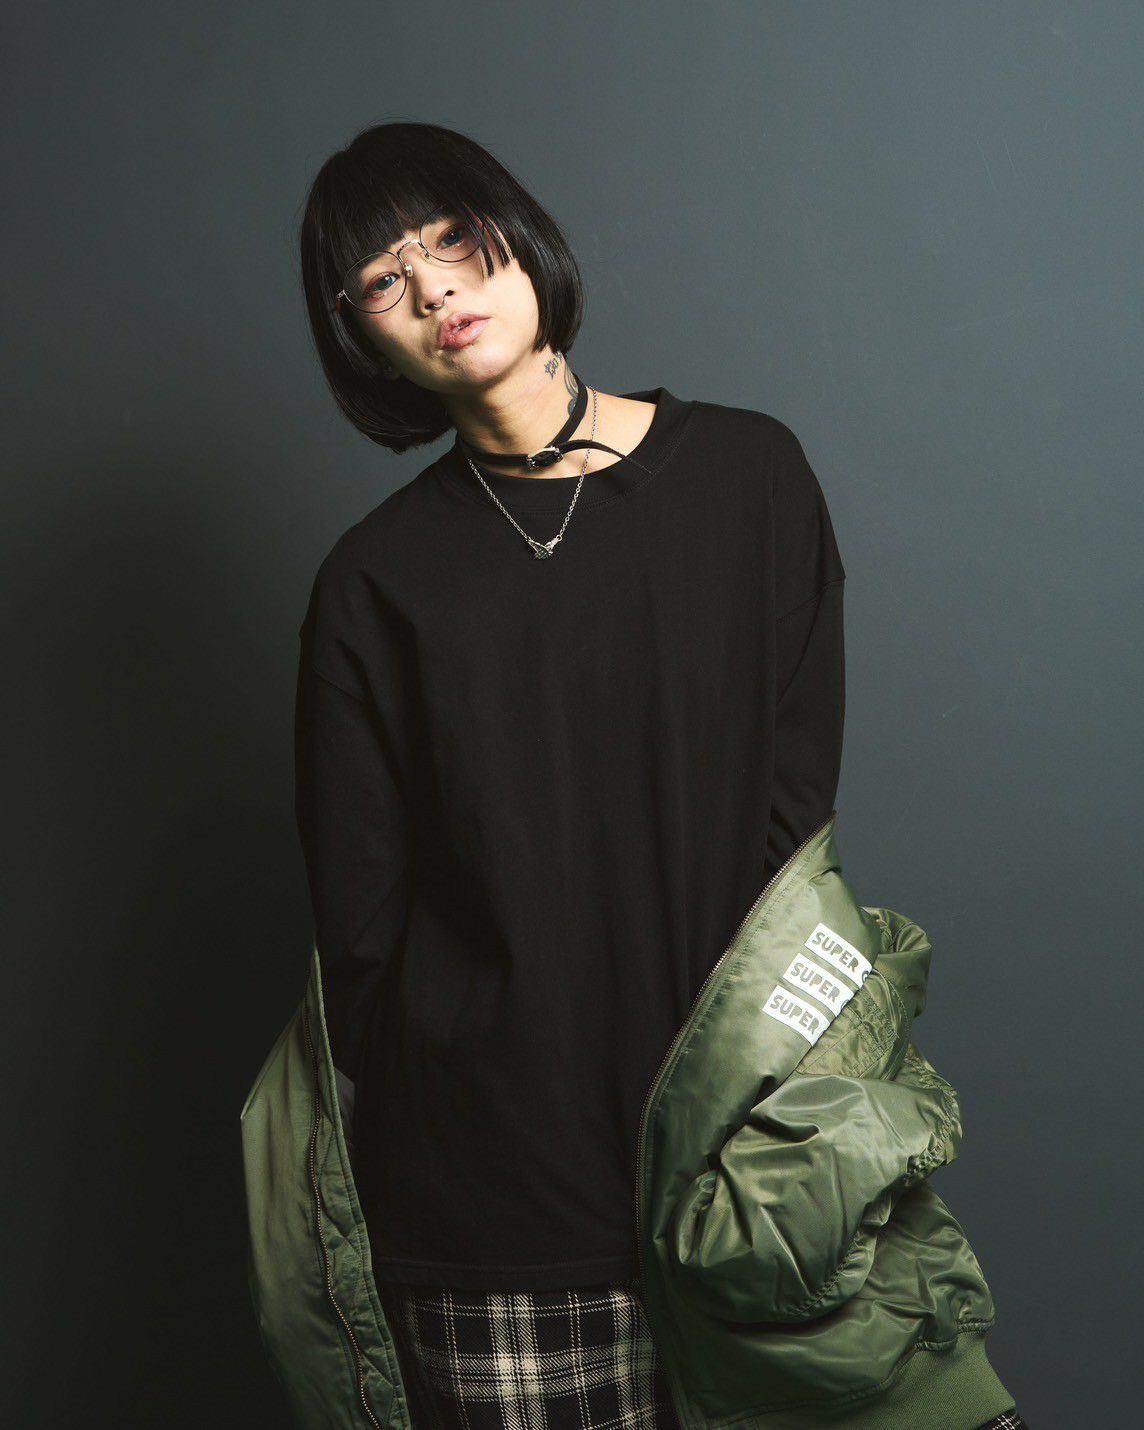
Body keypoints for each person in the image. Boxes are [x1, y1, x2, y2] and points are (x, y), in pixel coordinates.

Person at [291, 120, 1027, 1429]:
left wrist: (758, 1113)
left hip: (762, 1180)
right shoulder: (373, 582)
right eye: (385, 281)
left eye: (452, 241)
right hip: (500, 1217)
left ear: (517, 233)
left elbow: (793, 836)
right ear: (361, 336)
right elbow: (362, 938)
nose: (437, 290)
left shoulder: (749, 479)